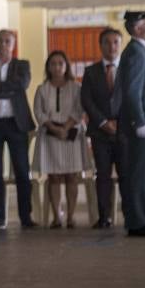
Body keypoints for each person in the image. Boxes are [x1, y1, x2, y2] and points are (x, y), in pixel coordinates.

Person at [110, 10, 145, 237]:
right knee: (138, 174)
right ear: (136, 29)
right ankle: (137, 222)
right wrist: (139, 121)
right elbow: (132, 92)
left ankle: (140, 220)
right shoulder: (135, 53)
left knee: (143, 174)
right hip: (142, 125)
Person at [0, 30, 36, 230]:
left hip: (16, 124)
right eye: (0, 41)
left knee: (21, 171)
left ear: (13, 44)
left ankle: (26, 217)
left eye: (7, 41)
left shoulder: (22, 65)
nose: (3, 44)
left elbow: (22, 84)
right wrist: (6, 87)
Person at [32, 50, 85, 228]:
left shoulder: (76, 87)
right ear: (48, 67)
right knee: (53, 177)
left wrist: (66, 127)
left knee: (71, 176)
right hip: (50, 135)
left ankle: (70, 216)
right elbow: (38, 112)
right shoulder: (42, 89)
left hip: (71, 135)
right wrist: (54, 128)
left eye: (60, 63)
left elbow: (79, 109)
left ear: (66, 66)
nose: (57, 67)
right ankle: (56, 216)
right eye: (53, 64)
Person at [81, 28, 124, 228]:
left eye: (116, 42)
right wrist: (103, 122)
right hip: (100, 132)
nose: (112, 46)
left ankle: (130, 216)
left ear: (120, 45)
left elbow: (133, 98)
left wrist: (119, 123)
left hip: (124, 131)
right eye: (107, 42)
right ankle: (104, 217)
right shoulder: (91, 72)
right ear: (101, 45)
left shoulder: (128, 69)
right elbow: (87, 100)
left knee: (126, 174)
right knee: (103, 174)